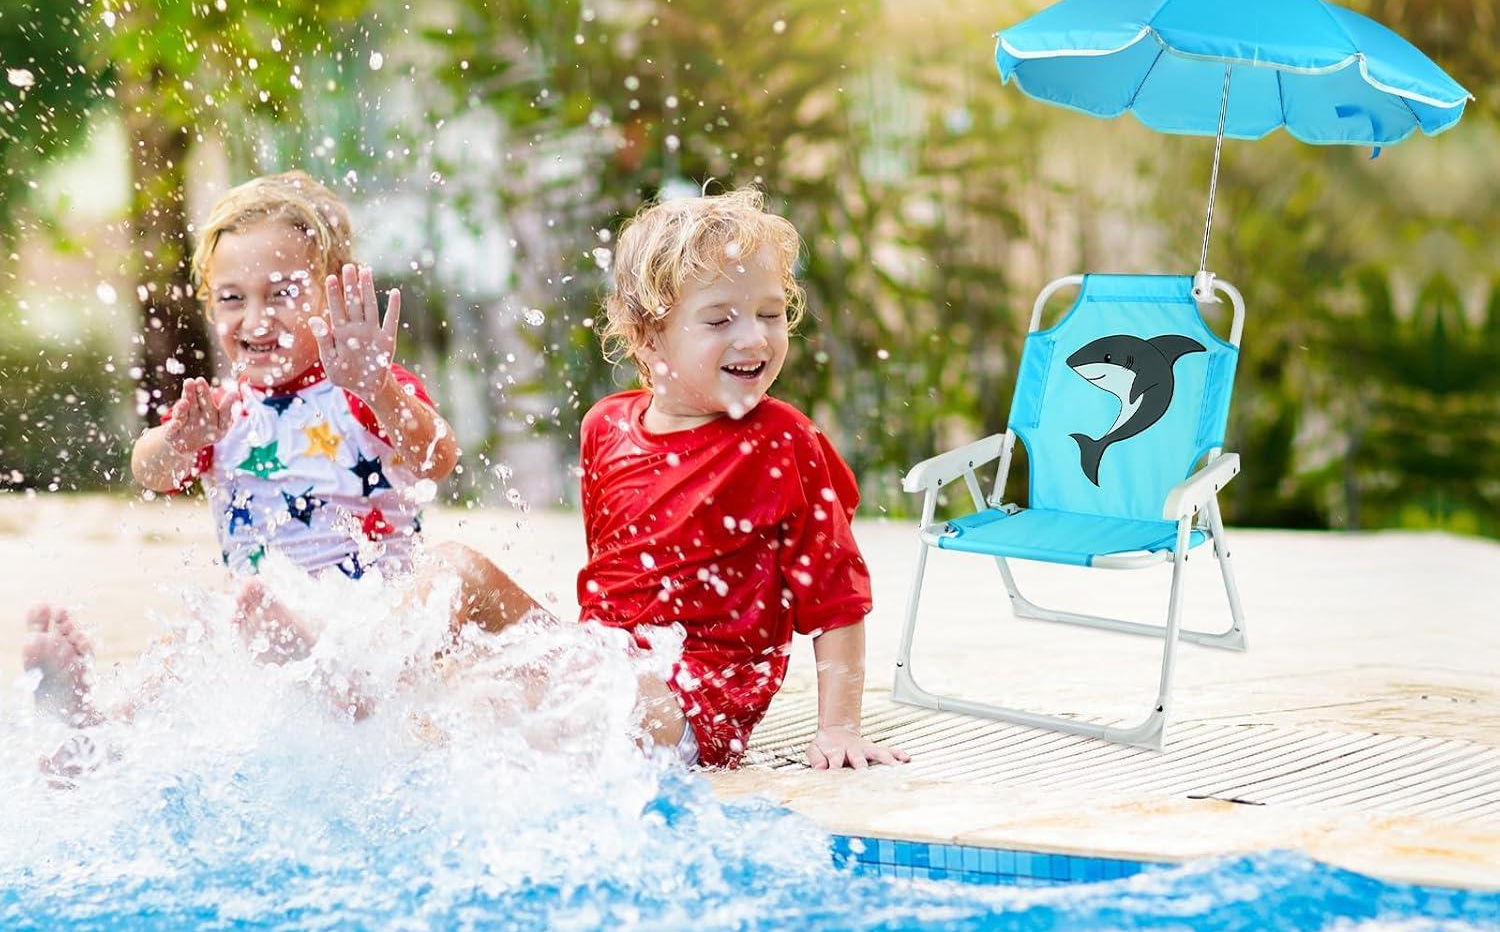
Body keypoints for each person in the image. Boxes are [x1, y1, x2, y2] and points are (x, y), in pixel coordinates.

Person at [24, 171, 540, 729]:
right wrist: (179, 440)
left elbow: (436, 458)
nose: (255, 319)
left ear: (335, 293)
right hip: (261, 623)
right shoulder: (221, 412)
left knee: (436, 583)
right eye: (231, 299)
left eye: (282, 294)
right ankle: (91, 727)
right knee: (195, 643)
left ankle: (335, 673)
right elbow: (148, 471)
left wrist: (379, 388)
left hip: (373, 623)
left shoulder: (362, 385)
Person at [578, 186, 910, 771]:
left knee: (514, 682)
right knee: (459, 589)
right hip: (606, 673)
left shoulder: (781, 442)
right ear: (648, 335)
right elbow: (613, 588)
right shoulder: (606, 427)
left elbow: (837, 599)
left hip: (692, 708)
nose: (755, 338)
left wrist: (839, 730)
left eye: (770, 313)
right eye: (719, 319)